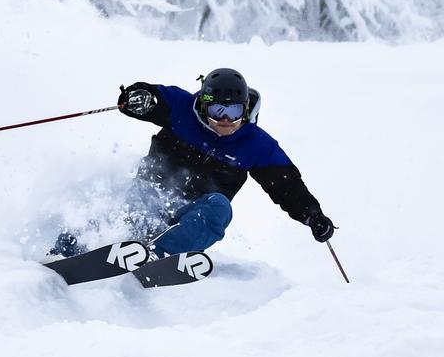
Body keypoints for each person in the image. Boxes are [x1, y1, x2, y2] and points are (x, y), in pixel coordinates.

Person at [50, 67, 335, 258]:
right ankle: (67, 250)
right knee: (130, 211)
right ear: (203, 103)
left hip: (190, 214)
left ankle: (157, 255)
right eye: (217, 109)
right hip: (150, 194)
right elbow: (155, 97)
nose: (225, 119)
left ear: (246, 110)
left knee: (220, 208)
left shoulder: (257, 145)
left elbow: (288, 187)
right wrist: (139, 97)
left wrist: (312, 216)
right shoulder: (182, 109)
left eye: (234, 111)